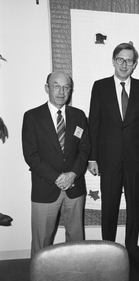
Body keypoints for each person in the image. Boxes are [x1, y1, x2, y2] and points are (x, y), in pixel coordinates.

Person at [87, 42, 139, 270]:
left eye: (129, 60)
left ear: (135, 64)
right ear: (113, 60)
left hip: (135, 159)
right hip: (108, 159)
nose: (125, 64)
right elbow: (94, 124)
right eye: (121, 59)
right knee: (109, 208)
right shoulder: (100, 87)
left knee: (133, 208)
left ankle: (132, 253)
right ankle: (108, 252)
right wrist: (92, 158)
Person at [22, 71, 91, 256]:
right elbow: (31, 155)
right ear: (47, 88)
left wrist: (73, 174)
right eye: (56, 86)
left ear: (70, 91)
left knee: (76, 242)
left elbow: (85, 149)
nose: (61, 92)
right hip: (45, 189)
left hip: (75, 188)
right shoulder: (32, 117)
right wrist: (57, 178)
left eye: (66, 87)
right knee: (41, 244)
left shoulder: (79, 116)